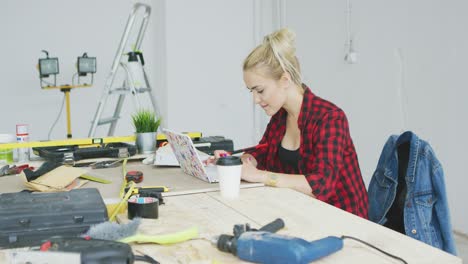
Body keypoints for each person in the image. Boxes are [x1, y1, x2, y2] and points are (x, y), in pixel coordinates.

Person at [213, 28, 368, 218]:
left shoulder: (330, 118)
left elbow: (321, 185)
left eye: (260, 90)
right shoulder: (280, 116)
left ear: (285, 80)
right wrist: (240, 161)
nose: (255, 99)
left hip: (345, 221)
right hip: (302, 213)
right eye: (251, 91)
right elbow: (263, 152)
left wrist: (259, 176)